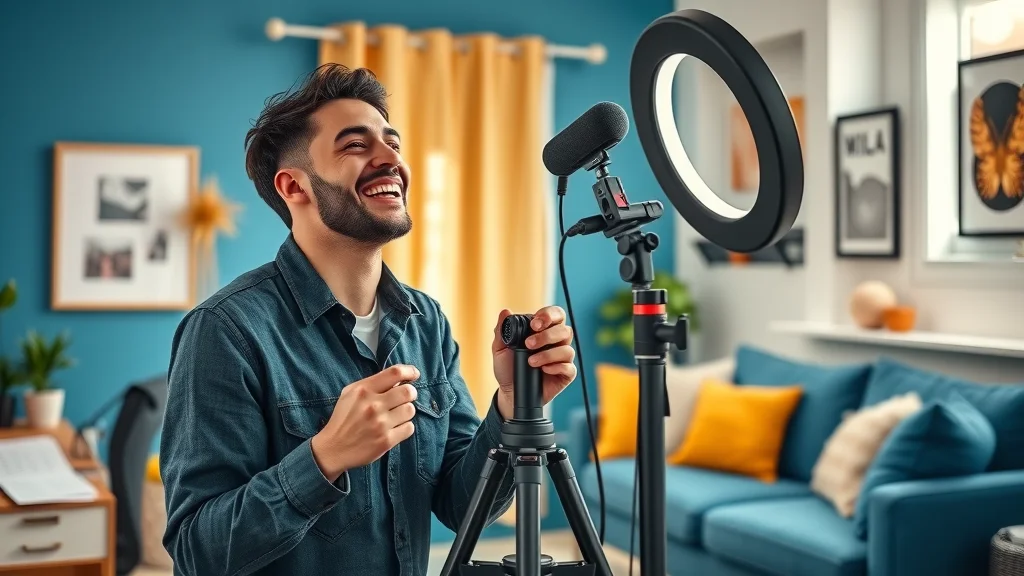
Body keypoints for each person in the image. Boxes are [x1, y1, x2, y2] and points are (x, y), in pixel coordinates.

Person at [159, 63, 578, 576]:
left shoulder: (427, 322)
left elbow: (462, 506)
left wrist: (514, 408)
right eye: (356, 146)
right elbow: (195, 551)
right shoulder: (226, 331)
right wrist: (323, 459)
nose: (390, 160)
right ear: (295, 187)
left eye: (393, 144)